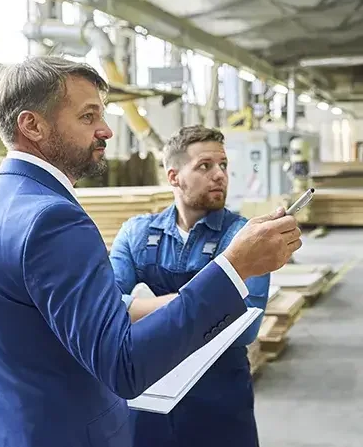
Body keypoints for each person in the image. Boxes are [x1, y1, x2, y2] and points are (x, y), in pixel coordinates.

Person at [0, 56, 302, 447]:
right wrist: (234, 267)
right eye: (87, 116)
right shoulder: (54, 220)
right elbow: (123, 366)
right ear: (32, 125)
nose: (106, 130)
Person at [109, 125, 269, 447]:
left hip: (219, 402)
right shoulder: (136, 234)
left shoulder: (246, 237)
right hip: (146, 399)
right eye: (204, 166)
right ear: (173, 176)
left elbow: (245, 326)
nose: (219, 175)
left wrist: (143, 308)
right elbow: (110, 310)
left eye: (223, 165)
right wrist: (207, 302)